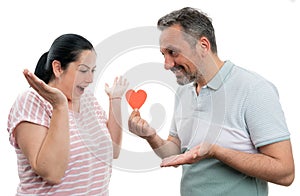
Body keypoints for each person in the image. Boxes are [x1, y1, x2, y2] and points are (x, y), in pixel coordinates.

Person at [128, 7, 295, 196]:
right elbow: (176, 153)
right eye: (163, 54)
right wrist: (151, 137)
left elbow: (285, 173)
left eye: (173, 53)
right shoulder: (183, 92)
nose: (167, 64)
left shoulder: (253, 89)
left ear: (203, 46)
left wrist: (217, 152)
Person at [7, 33, 128, 195]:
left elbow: (113, 151)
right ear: (58, 68)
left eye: (92, 70)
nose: (91, 78)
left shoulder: (88, 101)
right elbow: (52, 173)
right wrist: (60, 106)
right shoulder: (32, 101)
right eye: (84, 70)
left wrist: (115, 100)